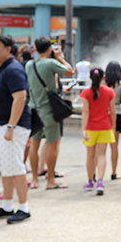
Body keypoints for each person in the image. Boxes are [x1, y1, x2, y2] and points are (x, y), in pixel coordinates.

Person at [0, 34, 33, 224]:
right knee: (5, 168)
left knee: (15, 167)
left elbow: (20, 98)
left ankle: (24, 207)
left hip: (12, 126)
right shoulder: (0, 68)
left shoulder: (13, 69)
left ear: (8, 49)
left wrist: (11, 126)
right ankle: (7, 205)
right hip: (0, 125)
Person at [25, 37, 74, 190]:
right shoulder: (51, 63)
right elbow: (70, 71)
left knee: (35, 144)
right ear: (49, 49)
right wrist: (59, 57)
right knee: (52, 144)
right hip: (48, 110)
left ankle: (34, 180)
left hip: (34, 108)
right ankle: (50, 179)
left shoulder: (29, 64)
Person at [81, 67, 116, 195]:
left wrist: (83, 129)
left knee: (90, 156)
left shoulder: (85, 93)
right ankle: (100, 181)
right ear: (103, 77)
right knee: (101, 155)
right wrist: (112, 127)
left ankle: (90, 181)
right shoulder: (109, 92)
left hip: (90, 128)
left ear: (90, 78)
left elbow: (85, 112)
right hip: (105, 127)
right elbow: (113, 112)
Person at [105, 61, 121, 181]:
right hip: (117, 114)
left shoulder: (103, 83)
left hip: (104, 114)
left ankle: (95, 173)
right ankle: (114, 173)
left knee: (101, 146)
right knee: (114, 146)